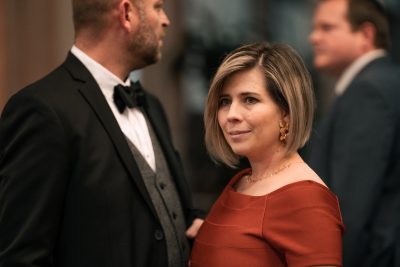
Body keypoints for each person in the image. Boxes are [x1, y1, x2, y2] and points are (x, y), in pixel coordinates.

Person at [0, 0, 203, 266]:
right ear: (127, 13)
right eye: (157, 7)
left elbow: (169, 210)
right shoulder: (42, 110)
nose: (166, 20)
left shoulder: (152, 105)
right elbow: (21, 255)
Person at [189, 42, 344, 267]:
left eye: (249, 100)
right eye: (225, 101)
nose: (231, 114)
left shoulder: (307, 200)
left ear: (287, 112)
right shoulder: (241, 181)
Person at [308, 0, 400, 266]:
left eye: (327, 27)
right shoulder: (386, 83)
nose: (313, 37)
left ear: (366, 35)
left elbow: (349, 210)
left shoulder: (367, 92)